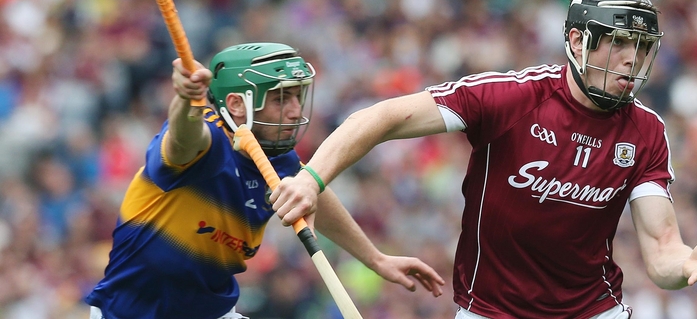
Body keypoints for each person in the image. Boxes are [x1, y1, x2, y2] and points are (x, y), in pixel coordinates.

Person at [270, 0, 697, 319]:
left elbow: (663, 251)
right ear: (579, 42)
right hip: (490, 309)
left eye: (642, 48)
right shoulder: (510, 97)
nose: (633, 60)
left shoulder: (646, 131)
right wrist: (312, 180)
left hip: (593, 309)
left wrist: (688, 262)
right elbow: (380, 118)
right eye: (620, 44)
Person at [85, 42, 445, 319]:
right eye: (280, 98)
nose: (294, 110)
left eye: (297, 96)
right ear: (237, 105)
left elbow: (312, 191)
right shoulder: (202, 144)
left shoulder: (275, 156)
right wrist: (185, 99)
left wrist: (375, 259)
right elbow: (182, 137)